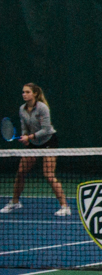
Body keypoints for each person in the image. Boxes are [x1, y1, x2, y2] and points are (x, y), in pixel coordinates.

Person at [1, 83, 70, 216]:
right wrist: (26, 136)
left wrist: (30, 136)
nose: (24, 94)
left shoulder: (42, 108)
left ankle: (65, 206)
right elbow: (24, 127)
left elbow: (46, 129)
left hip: (48, 141)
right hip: (33, 143)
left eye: (27, 92)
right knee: (21, 172)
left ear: (35, 94)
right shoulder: (22, 109)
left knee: (49, 175)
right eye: (23, 92)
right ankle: (15, 202)